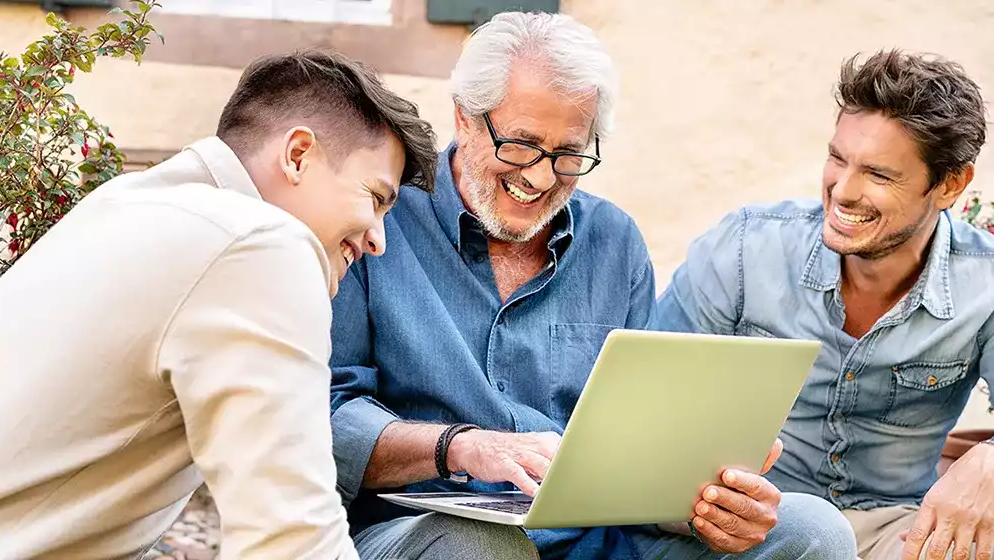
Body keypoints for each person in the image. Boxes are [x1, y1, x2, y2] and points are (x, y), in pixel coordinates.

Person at [328, 11, 856, 560]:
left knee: (814, 529)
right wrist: (459, 448)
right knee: (484, 546)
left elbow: (641, 450)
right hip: (430, 534)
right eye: (520, 144)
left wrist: (707, 505)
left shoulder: (614, 241)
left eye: (568, 154)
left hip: (597, 541)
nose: (538, 176)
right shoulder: (381, 221)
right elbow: (328, 415)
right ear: (464, 117)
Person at [0, 49, 437, 559]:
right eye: (376, 197)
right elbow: (289, 541)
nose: (379, 240)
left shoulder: (131, 205)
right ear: (298, 155)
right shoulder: (260, 244)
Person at [652, 49, 994, 560]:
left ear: (949, 185)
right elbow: (647, 414)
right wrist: (699, 509)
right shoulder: (745, 250)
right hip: (746, 527)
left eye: (879, 175)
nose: (843, 190)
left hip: (896, 532)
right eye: (838, 158)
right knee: (813, 530)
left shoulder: (985, 284)